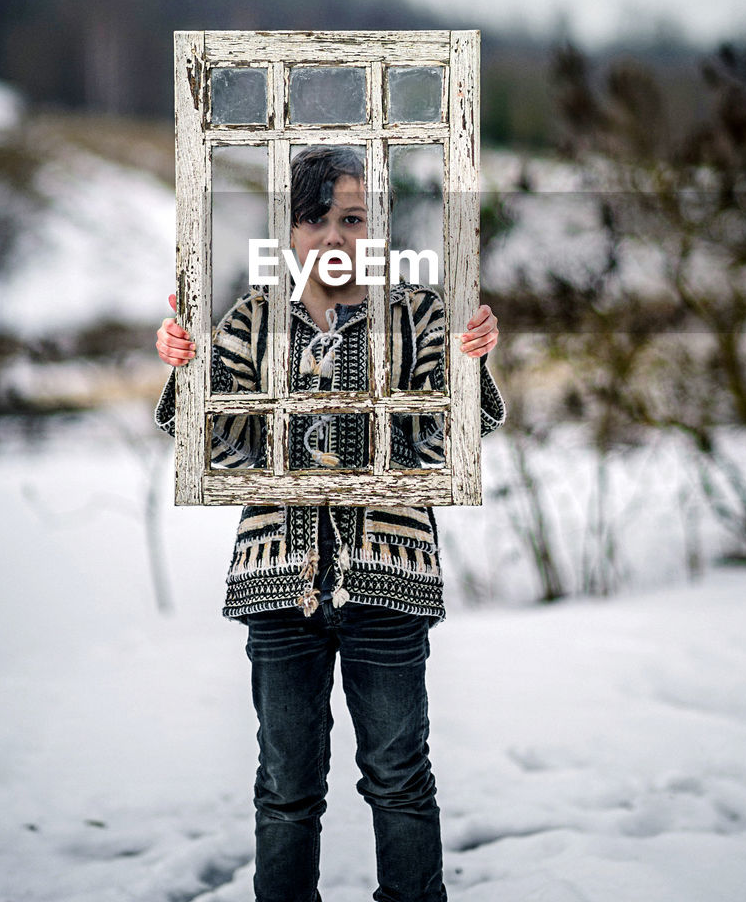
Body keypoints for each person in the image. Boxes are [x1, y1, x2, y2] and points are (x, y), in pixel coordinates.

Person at [154, 145, 506, 902]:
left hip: (387, 579)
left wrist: (471, 362)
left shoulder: (417, 316)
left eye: (353, 219)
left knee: (398, 776)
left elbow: (454, 435)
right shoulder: (251, 320)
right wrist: (184, 367)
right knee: (284, 784)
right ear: (287, 230)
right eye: (316, 218)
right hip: (277, 583)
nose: (334, 237)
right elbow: (217, 442)